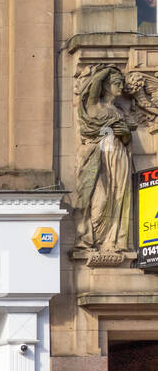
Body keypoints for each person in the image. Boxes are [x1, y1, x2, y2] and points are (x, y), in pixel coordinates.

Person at [75, 65, 135, 252]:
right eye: (117, 83)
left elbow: (125, 138)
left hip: (119, 157)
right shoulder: (96, 106)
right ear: (107, 86)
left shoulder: (118, 111)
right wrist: (107, 69)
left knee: (119, 198)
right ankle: (93, 238)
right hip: (100, 158)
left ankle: (114, 241)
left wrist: (125, 133)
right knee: (100, 198)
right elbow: (93, 90)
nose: (121, 87)